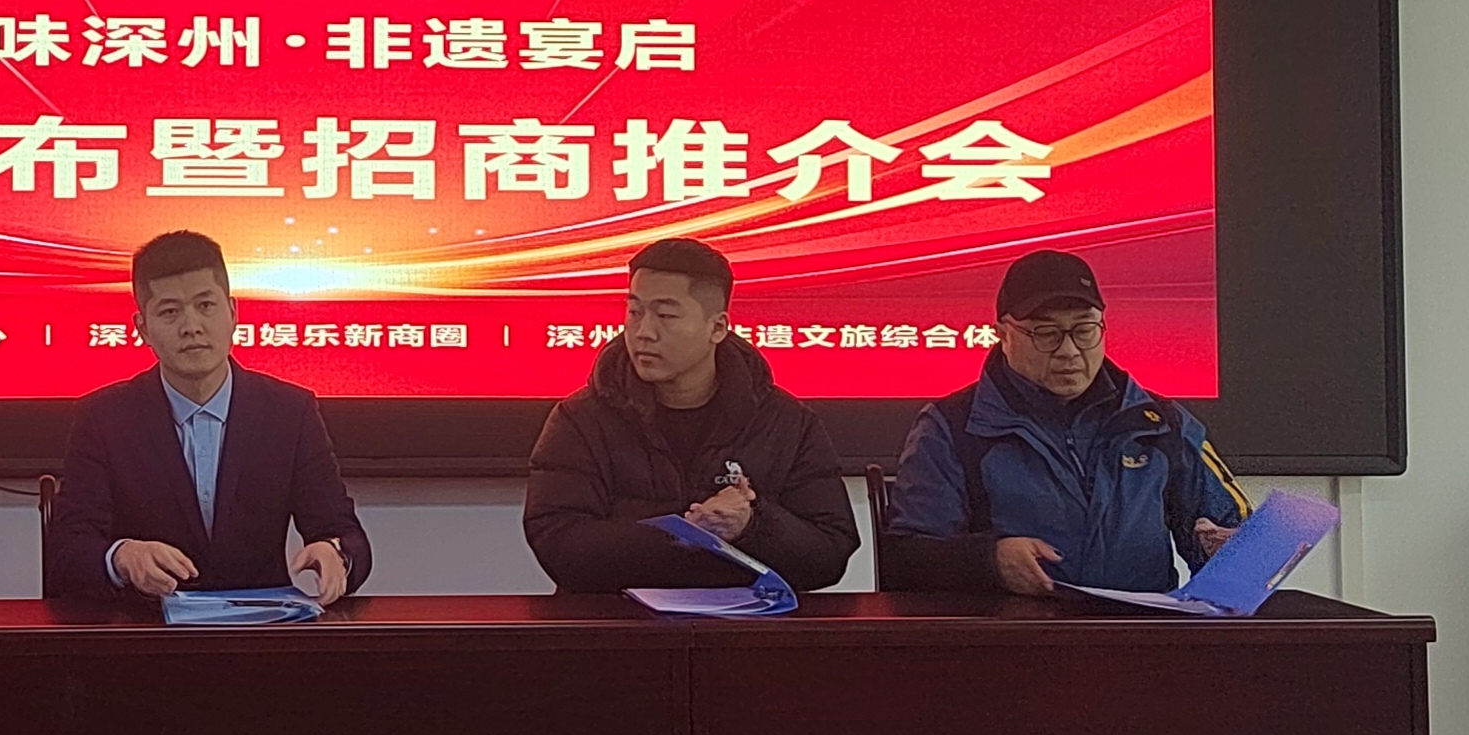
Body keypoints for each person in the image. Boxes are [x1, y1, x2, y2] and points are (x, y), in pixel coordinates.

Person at [883, 248, 1251, 595]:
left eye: (1084, 330)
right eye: (1046, 334)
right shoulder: (952, 427)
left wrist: (1231, 551)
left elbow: (1231, 532)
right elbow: (906, 560)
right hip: (1012, 633)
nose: (1069, 351)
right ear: (1003, 334)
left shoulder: (1160, 423)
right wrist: (989, 562)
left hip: (1140, 633)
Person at [43, 230, 371, 602]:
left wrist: (335, 553)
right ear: (143, 328)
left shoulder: (289, 412)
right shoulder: (104, 418)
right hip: (147, 629)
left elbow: (345, 533)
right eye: (170, 312)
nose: (191, 326)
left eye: (205, 305)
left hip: (258, 627)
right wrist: (122, 557)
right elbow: (67, 553)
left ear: (233, 313)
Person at [524, 238, 860, 592]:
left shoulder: (785, 422)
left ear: (718, 328)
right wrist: (680, 534)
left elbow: (830, 554)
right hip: (617, 619)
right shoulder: (580, 419)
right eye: (635, 312)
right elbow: (557, 545)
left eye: (666, 316)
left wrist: (752, 525)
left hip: (747, 620)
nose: (643, 332)